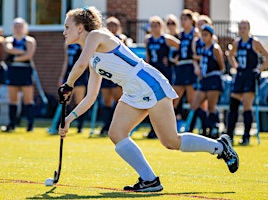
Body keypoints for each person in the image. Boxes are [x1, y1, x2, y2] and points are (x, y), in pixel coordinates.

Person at [58, 6, 239, 192]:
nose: (64, 32)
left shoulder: (96, 35)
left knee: (171, 141)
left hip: (149, 83)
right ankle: (150, 180)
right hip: (132, 90)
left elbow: (79, 65)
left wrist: (68, 85)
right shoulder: (92, 59)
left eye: (67, 27)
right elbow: (90, 97)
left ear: (80, 28)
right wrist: (68, 119)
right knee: (116, 133)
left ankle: (219, 146)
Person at [226, 20, 268, 145]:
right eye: (240, 27)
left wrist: (259, 70)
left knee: (247, 105)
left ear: (249, 28)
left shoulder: (254, 42)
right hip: (240, 76)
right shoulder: (237, 42)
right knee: (233, 105)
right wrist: (235, 66)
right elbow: (230, 55)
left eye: (244, 27)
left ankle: (246, 136)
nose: (242, 30)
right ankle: (229, 135)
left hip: (250, 76)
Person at [144, 16, 180, 138]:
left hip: (164, 73)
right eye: (152, 25)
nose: (154, 28)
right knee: (151, 101)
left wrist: (172, 59)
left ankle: (166, 129)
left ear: (161, 26)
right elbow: (148, 57)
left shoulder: (166, 39)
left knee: (163, 101)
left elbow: (182, 48)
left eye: (157, 25)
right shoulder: (148, 39)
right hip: (153, 72)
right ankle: (153, 129)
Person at [186, 25, 225, 138]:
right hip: (204, 80)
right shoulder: (203, 49)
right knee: (194, 105)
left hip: (214, 79)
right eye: (202, 35)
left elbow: (221, 66)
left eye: (206, 35)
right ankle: (191, 130)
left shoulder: (215, 48)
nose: (203, 37)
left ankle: (212, 130)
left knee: (211, 107)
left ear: (211, 36)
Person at [3, 18, 36, 132]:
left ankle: (30, 125)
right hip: (13, 71)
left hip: (25, 71)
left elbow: (29, 55)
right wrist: (21, 52)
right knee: (13, 99)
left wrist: (16, 58)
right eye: (15, 26)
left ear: (25, 27)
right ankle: (12, 124)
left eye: (20, 26)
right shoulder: (9, 39)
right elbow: (8, 49)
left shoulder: (29, 40)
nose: (18, 28)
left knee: (28, 99)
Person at [97, 16, 125, 136]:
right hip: (106, 73)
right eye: (109, 25)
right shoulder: (103, 39)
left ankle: (119, 126)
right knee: (106, 101)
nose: (112, 28)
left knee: (119, 100)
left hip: (116, 73)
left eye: (114, 25)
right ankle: (106, 125)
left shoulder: (120, 39)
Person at [173, 9, 200, 128]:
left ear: (191, 21)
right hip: (181, 66)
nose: (183, 22)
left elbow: (196, 52)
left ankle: (191, 125)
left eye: (185, 19)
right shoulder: (181, 34)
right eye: (182, 19)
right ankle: (172, 124)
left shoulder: (195, 33)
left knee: (191, 99)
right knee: (174, 96)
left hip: (190, 66)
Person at [58, 43, 88, 133]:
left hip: (80, 76)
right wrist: (62, 76)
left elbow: (85, 63)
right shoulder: (67, 45)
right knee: (65, 101)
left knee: (79, 102)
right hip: (68, 75)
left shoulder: (84, 44)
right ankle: (60, 125)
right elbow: (66, 62)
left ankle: (80, 127)